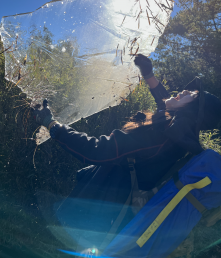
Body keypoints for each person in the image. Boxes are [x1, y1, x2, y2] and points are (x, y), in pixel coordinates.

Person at [32, 54, 221, 251]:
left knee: (61, 247)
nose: (184, 91)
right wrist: (149, 75)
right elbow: (164, 103)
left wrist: (51, 124)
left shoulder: (159, 136)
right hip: (115, 213)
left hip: (97, 208)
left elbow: (96, 150)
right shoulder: (182, 138)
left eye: (192, 94)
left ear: (192, 111)